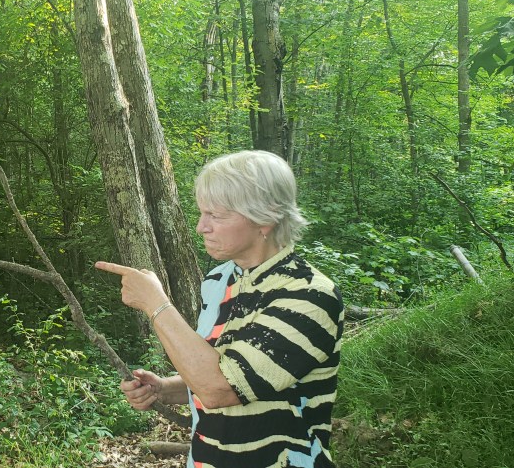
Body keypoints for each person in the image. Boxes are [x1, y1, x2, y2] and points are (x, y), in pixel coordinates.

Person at [95, 150, 343, 468]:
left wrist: (155, 303)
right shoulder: (219, 279)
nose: (202, 227)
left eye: (216, 215)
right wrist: (166, 389)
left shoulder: (308, 295)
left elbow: (221, 389)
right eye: (202, 213)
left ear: (265, 217)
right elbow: (228, 368)